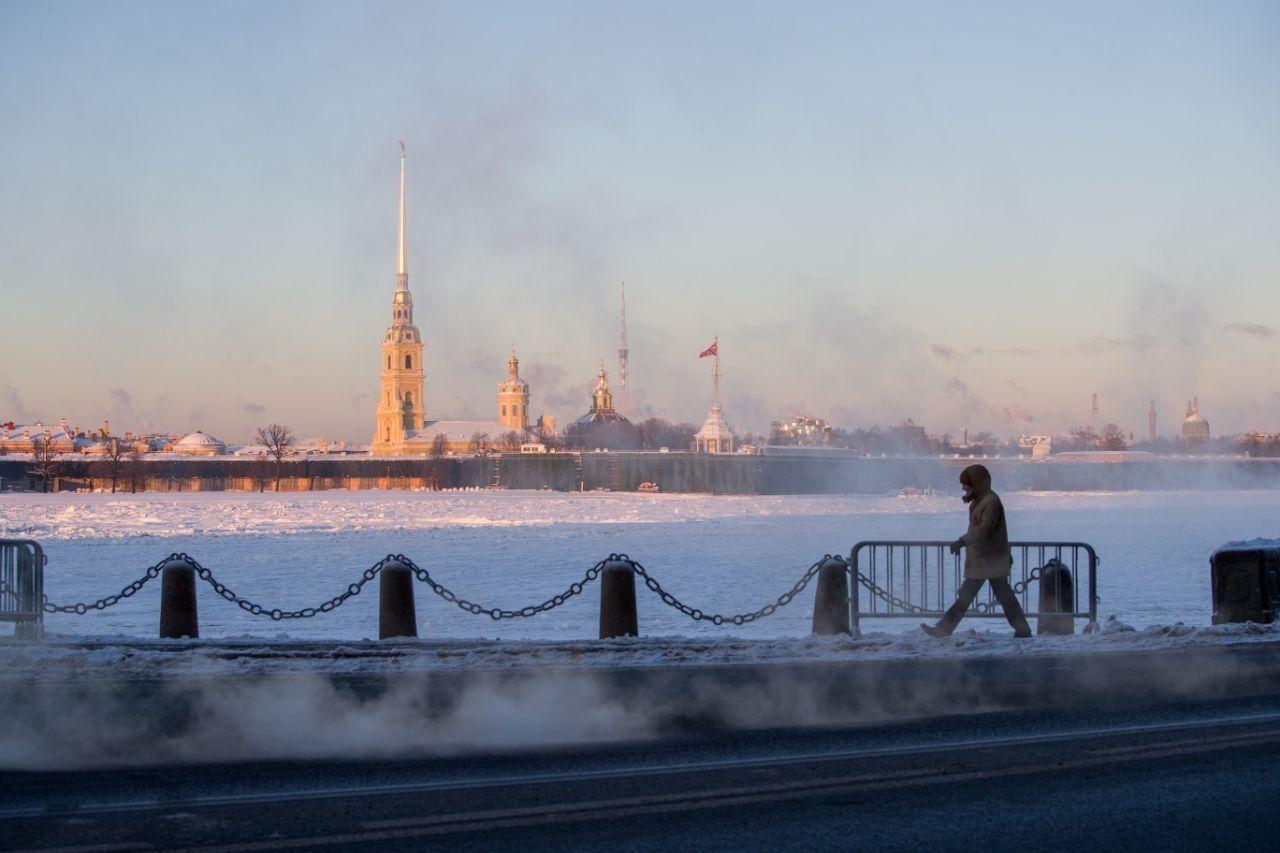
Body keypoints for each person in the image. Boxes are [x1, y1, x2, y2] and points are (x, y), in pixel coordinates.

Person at [921, 464, 1031, 638]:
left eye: (967, 484)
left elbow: (985, 529)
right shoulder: (983, 500)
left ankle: (943, 629)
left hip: (987, 559)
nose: (964, 488)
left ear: (977, 483)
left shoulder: (990, 502)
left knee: (968, 598)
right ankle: (1023, 630)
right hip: (987, 558)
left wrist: (962, 541)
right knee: (1003, 597)